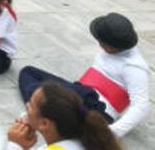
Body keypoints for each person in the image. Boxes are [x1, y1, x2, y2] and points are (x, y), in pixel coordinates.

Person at [17, 12, 150, 138]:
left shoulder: (134, 67)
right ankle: (45, 108)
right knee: (28, 72)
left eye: (102, 42)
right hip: (81, 92)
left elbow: (141, 105)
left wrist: (112, 132)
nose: (99, 44)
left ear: (111, 45)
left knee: (45, 92)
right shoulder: (112, 50)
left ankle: (41, 110)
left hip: (97, 107)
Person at [7, 83, 121, 150]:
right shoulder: (87, 140)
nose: (27, 106)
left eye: (31, 105)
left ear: (44, 123)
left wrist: (15, 145)